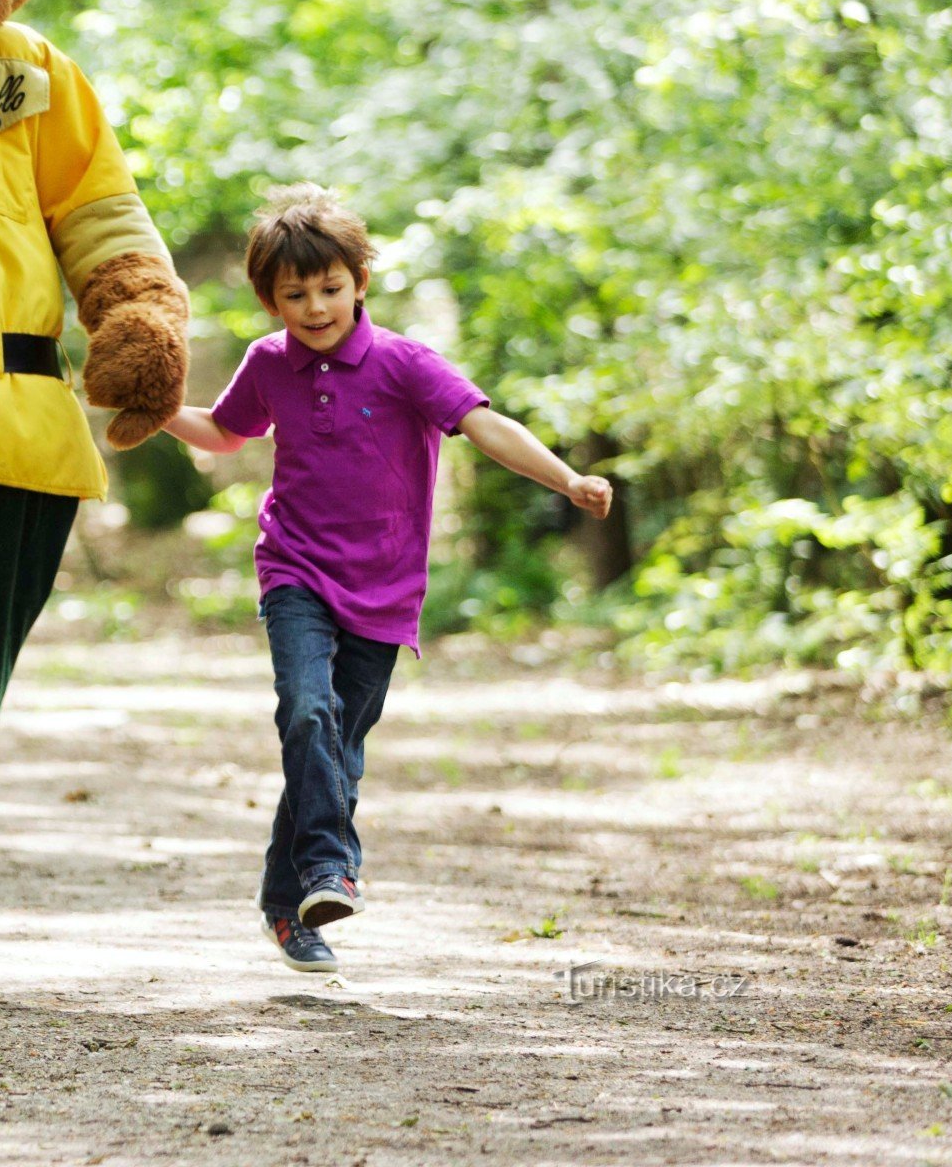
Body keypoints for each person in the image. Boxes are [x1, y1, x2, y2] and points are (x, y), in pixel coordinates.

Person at [160, 186, 613, 973]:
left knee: (336, 749)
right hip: (295, 568)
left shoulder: (404, 363)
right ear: (271, 299)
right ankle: (332, 871)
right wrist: (154, 406)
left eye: (330, 288)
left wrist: (568, 479)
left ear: (359, 281)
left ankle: (284, 906)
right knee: (307, 712)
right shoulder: (269, 363)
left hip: (384, 590)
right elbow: (225, 435)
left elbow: (485, 425)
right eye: (295, 294)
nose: (315, 306)